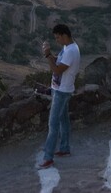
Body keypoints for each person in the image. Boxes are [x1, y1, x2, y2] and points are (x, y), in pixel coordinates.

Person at [37, 24, 81, 169]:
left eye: (57, 37)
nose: (57, 41)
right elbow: (59, 62)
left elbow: (56, 70)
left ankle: (48, 157)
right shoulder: (68, 48)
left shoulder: (71, 51)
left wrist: (47, 55)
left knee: (53, 124)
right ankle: (65, 148)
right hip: (61, 89)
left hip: (62, 91)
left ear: (64, 35)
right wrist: (50, 55)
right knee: (63, 120)